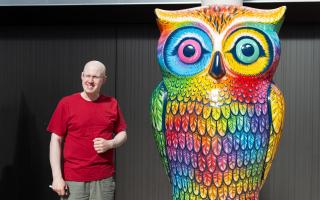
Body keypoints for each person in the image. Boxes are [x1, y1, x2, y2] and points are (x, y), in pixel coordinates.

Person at [47, 60, 127, 200]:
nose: (90, 80)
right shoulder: (67, 103)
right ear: (82, 76)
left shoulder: (111, 103)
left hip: (104, 179)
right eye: (87, 76)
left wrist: (110, 143)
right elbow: (56, 140)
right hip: (74, 180)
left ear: (104, 79)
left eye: (95, 77)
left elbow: (122, 134)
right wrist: (57, 177)